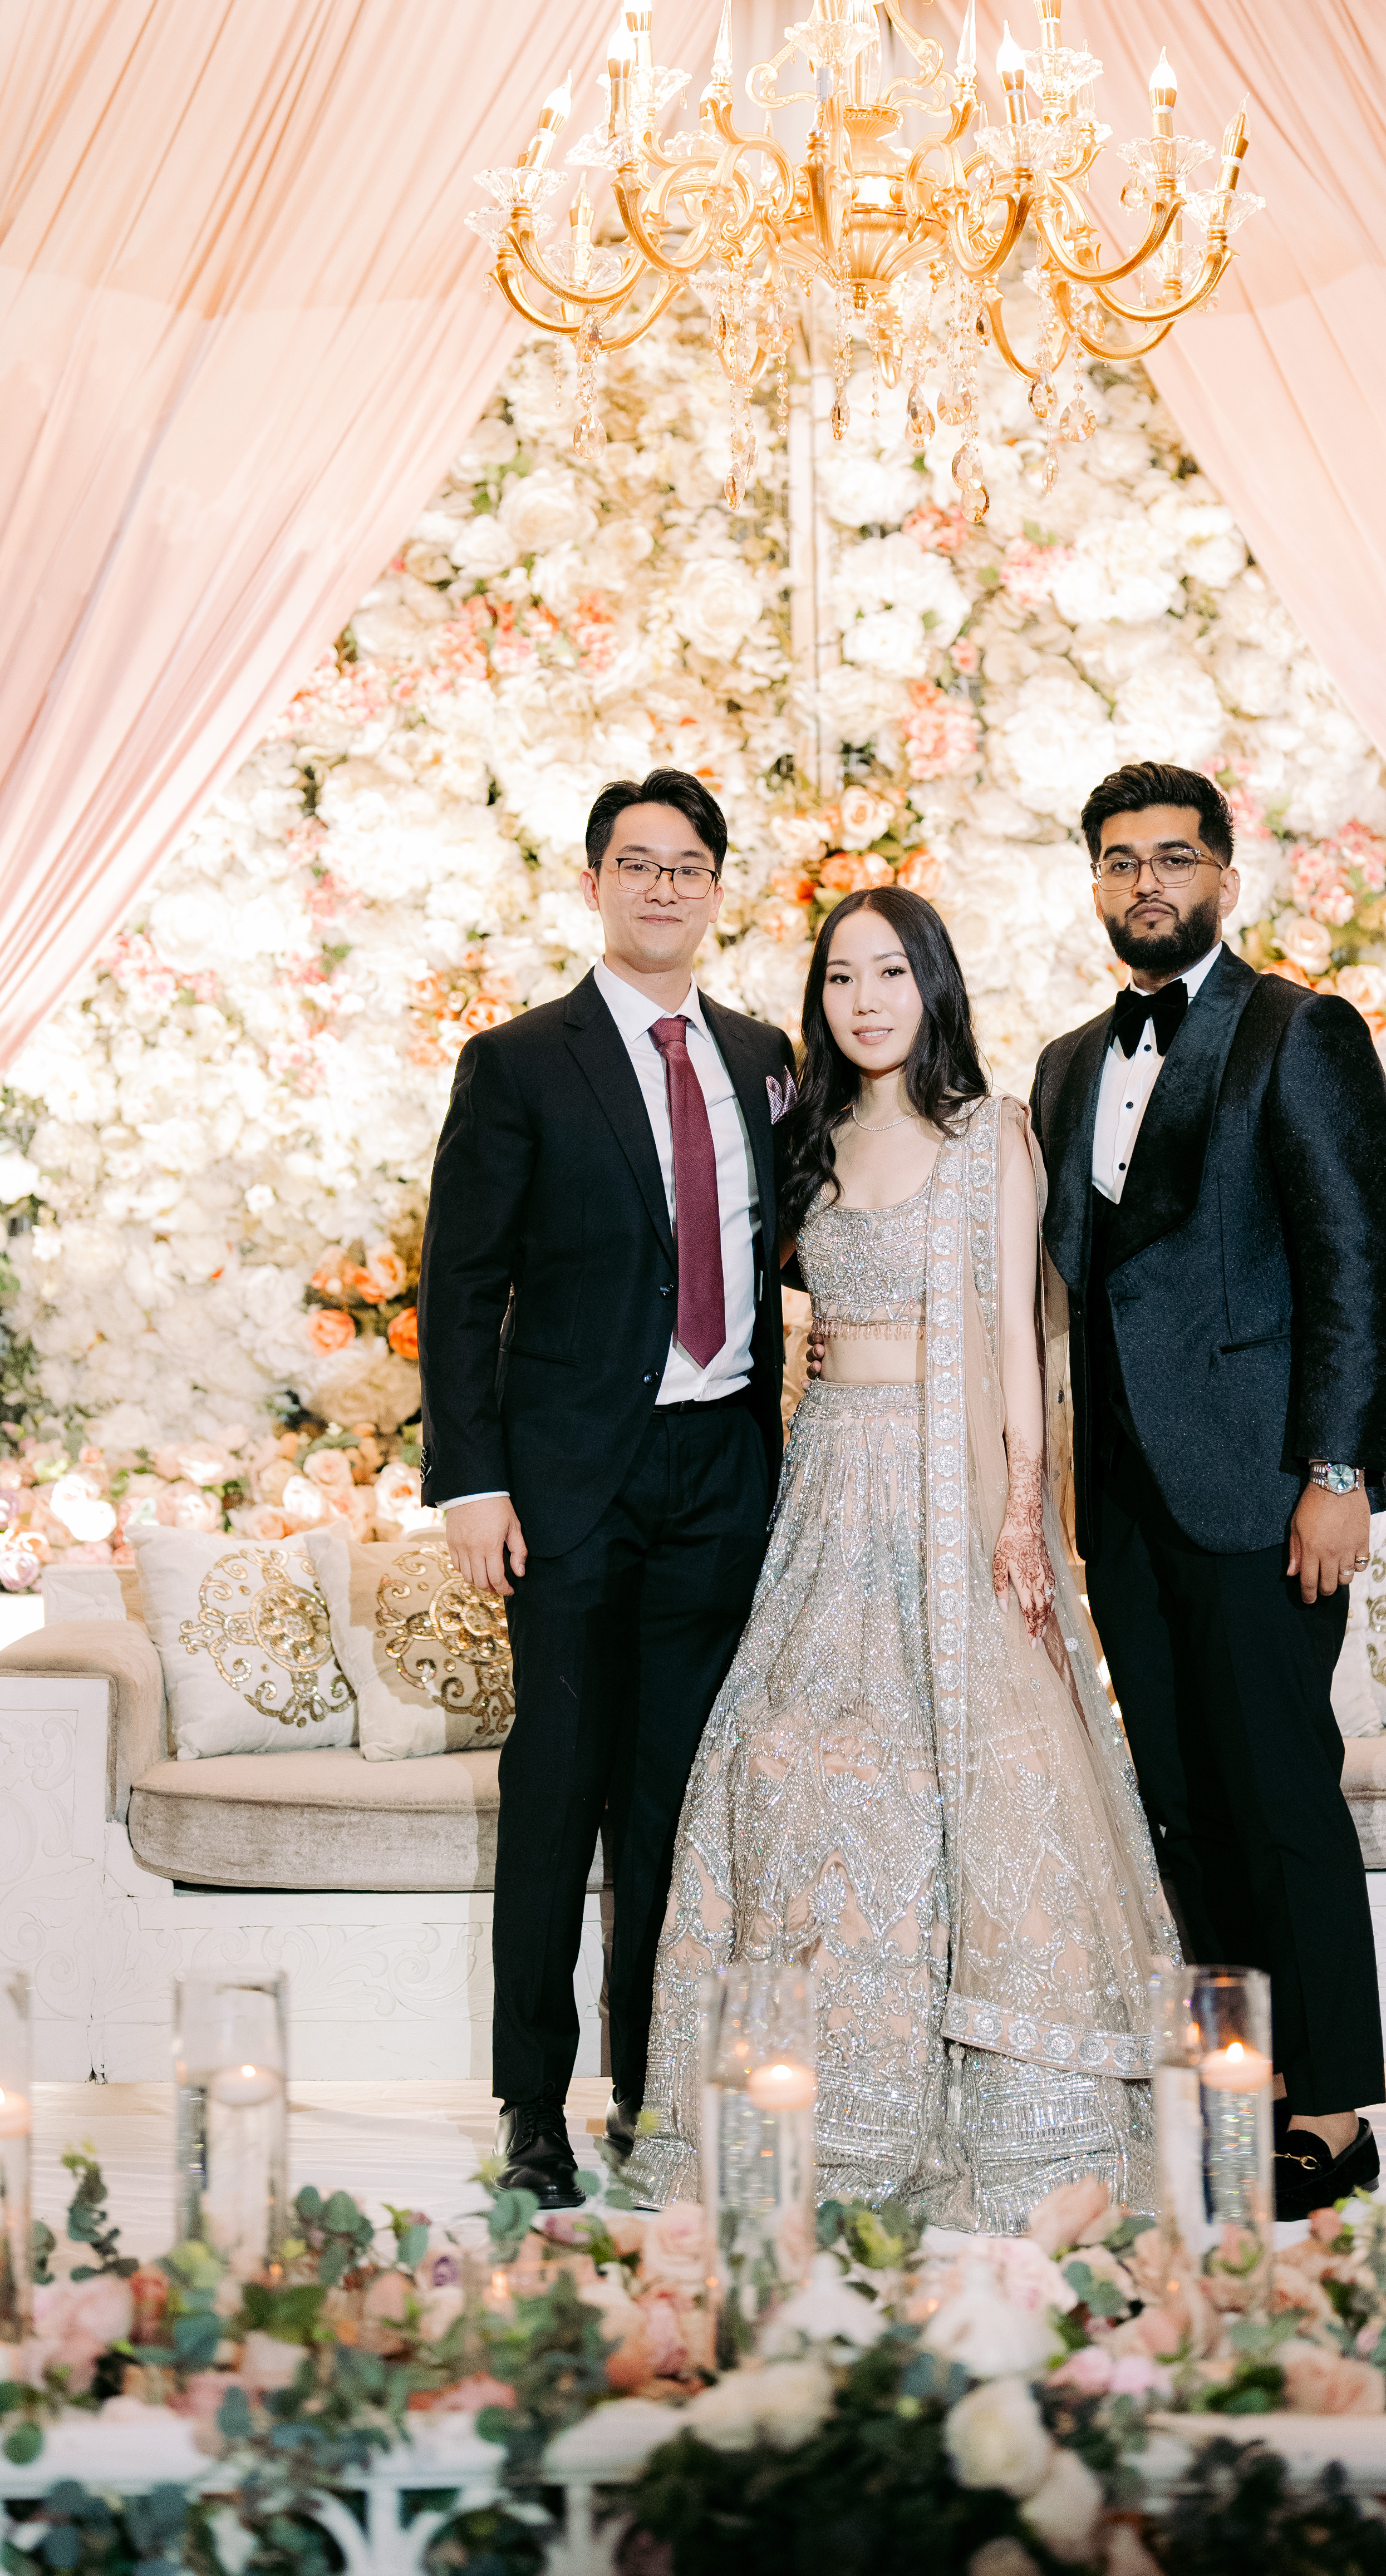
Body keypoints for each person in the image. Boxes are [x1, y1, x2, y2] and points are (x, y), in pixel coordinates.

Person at [626, 887, 1181, 2231]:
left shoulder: (989, 1135)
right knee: (780, 1757)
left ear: (932, 985)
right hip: (828, 1485)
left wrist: (1020, 1511)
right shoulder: (803, 1142)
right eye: (839, 977)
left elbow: (1018, 1341)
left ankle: (997, 2113)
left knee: (968, 1772)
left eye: (889, 972)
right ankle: (808, 2104)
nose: (864, 1000)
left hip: (951, 1491)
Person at [1029, 760, 1386, 2220]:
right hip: (1122, 1500)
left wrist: (1337, 1470)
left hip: (1261, 1489)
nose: (1147, 883)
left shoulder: (1299, 1032)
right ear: (1096, 884)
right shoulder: (1068, 1063)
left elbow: (1353, 1262)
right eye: (1121, 861)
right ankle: (1237, 2091)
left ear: (1224, 880)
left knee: (1277, 1791)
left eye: (1173, 857)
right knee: (1180, 1804)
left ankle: (1333, 2112)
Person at [417, 769, 796, 2210]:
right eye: (636, 863)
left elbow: (791, 1236)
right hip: (571, 1480)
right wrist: (472, 1483)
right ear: (594, 885)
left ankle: (649, 2094)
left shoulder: (763, 1055)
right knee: (557, 1790)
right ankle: (533, 2107)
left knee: (672, 1806)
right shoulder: (520, 1062)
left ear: (716, 889)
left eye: (687, 865)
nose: (662, 887)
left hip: (721, 1474)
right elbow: (461, 1287)